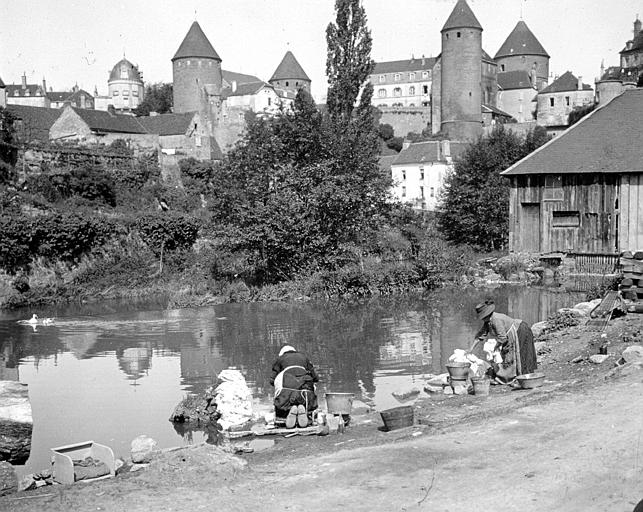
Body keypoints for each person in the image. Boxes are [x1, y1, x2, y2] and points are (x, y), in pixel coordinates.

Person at [472, 300, 537, 384]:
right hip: (511, 333)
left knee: (520, 354)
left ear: (486, 315)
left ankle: (522, 377)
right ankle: (514, 376)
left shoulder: (496, 319)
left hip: (520, 330)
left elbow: (502, 338)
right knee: (508, 355)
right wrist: (471, 349)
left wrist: (495, 347)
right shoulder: (488, 322)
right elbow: (481, 335)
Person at [269, 345, 319, 428]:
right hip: (305, 394)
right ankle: (305, 410)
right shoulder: (304, 358)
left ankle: (286, 413)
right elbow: (316, 378)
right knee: (310, 386)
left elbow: (272, 381)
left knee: (279, 385)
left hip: (287, 395)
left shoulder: (280, 359)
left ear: (282, 354)